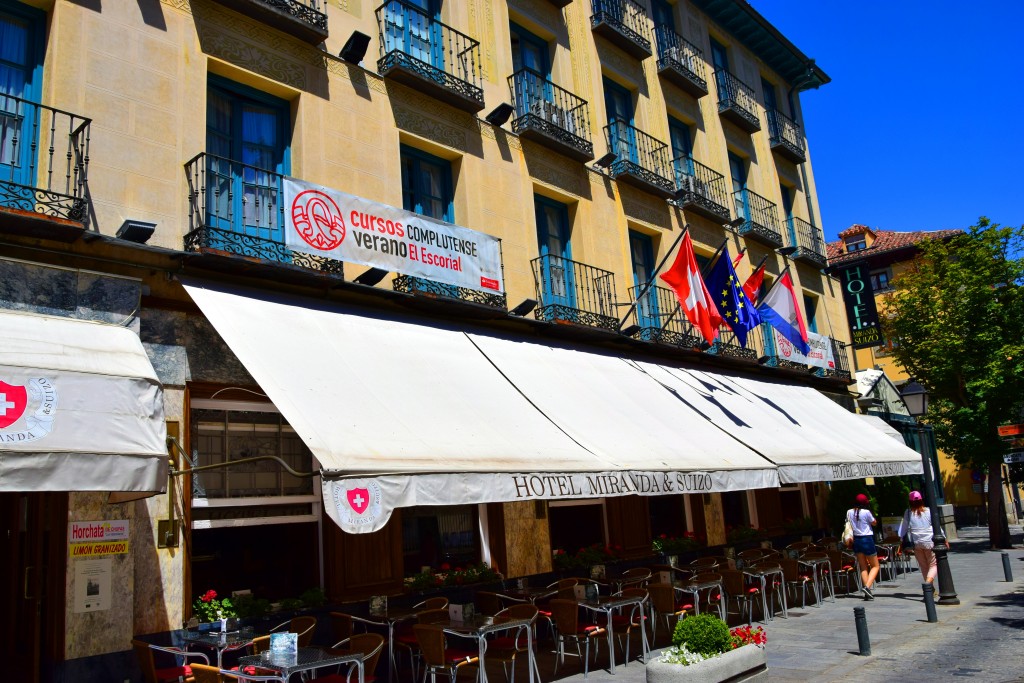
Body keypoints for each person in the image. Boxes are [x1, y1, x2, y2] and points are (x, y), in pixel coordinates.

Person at [897, 490, 946, 584]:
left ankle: (930, 590)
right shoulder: (928, 511)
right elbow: (937, 526)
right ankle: (928, 584)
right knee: (933, 564)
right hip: (929, 542)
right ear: (921, 500)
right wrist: (944, 538)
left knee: (923, 566)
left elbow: (903, 528)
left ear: (910, 502)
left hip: (916, 543)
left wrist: (901, 539)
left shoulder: (908, 512)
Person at [847, 493, 879, 600]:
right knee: (875, 566)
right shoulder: (866, 512)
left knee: (863, 566)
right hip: (867, 539)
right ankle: (867, 587)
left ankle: (867, 593)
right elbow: (874, 523)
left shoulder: (849, 512)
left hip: (857, 540)